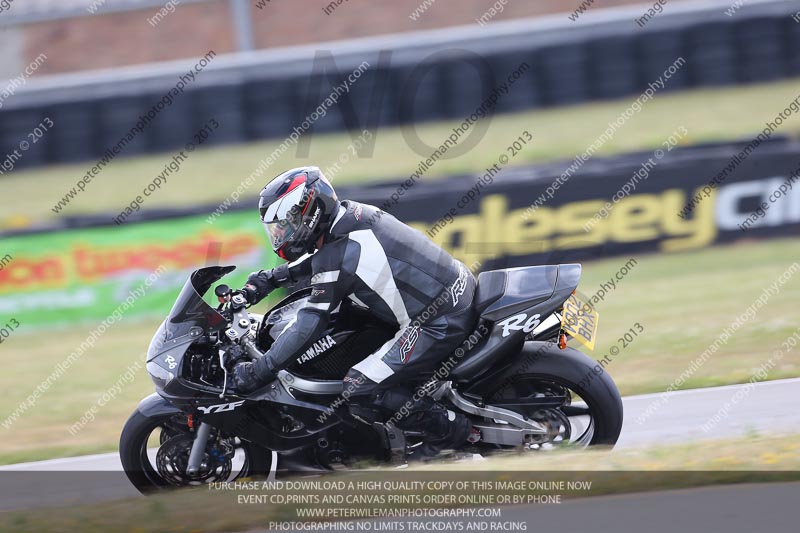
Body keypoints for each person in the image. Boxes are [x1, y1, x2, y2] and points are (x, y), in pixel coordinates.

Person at [232, 166, 477, 460]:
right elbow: (324, 261)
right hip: (452, 293)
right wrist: (271, 279)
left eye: (285, 224)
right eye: (276, 228)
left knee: (360, 388)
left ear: (308, 211)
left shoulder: (340, 250)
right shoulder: (351, 216)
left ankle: (454, 434)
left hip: (437, 321)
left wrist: (261, 370)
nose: (280, 234)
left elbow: (308, 324)